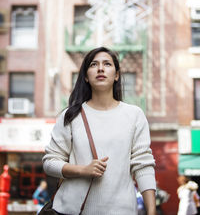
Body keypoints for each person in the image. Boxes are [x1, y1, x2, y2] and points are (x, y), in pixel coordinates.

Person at [43, 46, 157, 215]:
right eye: (94, 64)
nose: (101, 68)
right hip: (71, 210)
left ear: (117, 75)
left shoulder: (134, 115)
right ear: (86, 77)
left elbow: (143, 165)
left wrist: (152, 211)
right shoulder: (72, 115)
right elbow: (50, 161)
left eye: (107, 64)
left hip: (121, 210)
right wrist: (82, 170)